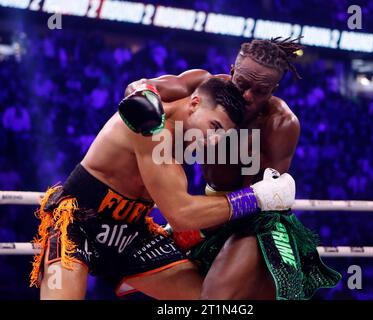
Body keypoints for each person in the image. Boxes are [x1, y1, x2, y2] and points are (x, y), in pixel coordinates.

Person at [30, 77, 296, 299]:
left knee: (211, 299)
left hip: (131, 236)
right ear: (194, 104)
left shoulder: (190, 135)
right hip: (78, 226)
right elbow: (181, 214)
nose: (214, 140)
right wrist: (257, 197)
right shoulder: (150, 128)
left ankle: (128, 276)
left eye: (222, 135)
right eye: (214, 127)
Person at [126, 37, 341, 299]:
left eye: (260, 91)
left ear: (274, 88)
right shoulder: (204, 86)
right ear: (231, 71)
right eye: (243, 84)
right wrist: (145, 101)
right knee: (131, 269)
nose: (248, 96)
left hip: (256, 218)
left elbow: (263, 197)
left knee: (215, 298)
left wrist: (196, 227)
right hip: (211, 206)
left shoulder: (279, 123)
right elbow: (140, 87)